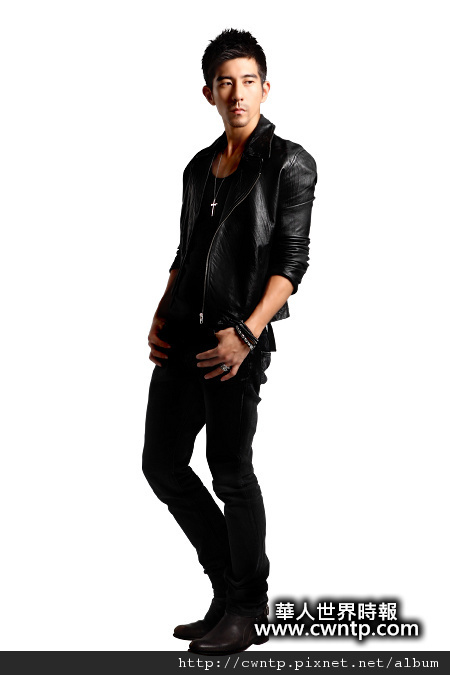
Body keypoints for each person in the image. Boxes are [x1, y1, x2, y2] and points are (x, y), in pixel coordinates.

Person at [142, 28, 317, 655]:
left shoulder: (289, 163)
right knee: (161, 464)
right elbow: (186, 250)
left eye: (247, 82)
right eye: (225, 83)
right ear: (209, 93)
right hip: (183, 335)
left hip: (235, 341)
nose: (237, 94)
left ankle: (248, 607)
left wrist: (247, 332)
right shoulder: (199, 167)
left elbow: (291, 263)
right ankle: (229, 591)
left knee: (230, 471)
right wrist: (161, 312)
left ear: (265, 88)